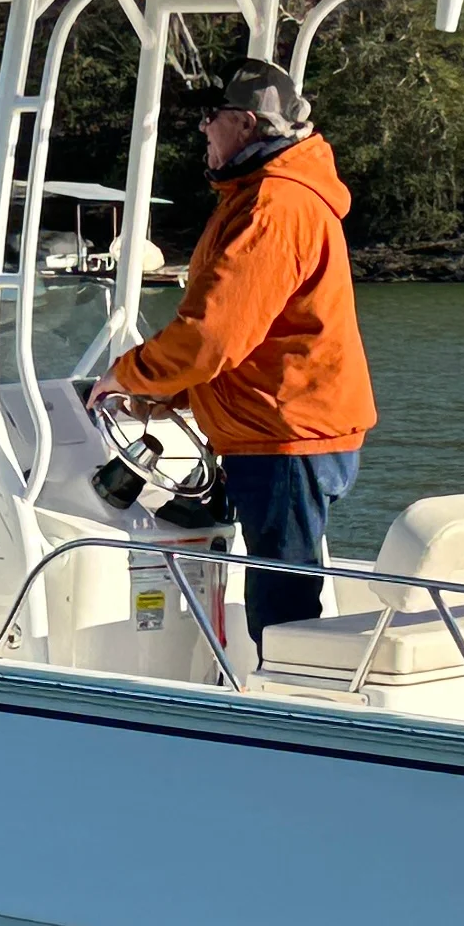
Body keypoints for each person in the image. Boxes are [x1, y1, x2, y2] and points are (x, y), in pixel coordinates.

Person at [89, 60, 375, 645]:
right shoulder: (269, 196)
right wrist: (172, 393)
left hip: (283, 435)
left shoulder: (272, 207)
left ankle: (293, 718)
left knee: (283, 611)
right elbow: (249, 332)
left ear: (245, 124)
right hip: (288, 427)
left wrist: (129, 377)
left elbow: (213, 337)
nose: (202, 129)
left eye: (209, 117)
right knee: (285, 589)